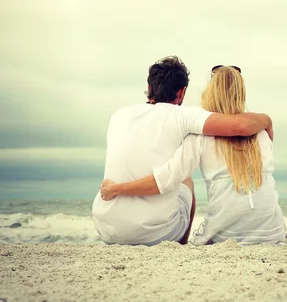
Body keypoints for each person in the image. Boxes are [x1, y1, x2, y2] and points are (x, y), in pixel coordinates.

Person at [92, 57, 273, 246]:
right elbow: (240, 126)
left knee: (174, 172)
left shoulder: (119, 115)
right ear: (182, 91)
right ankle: (181, 244)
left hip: (107, 229)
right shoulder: (184, 116)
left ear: (149, 85)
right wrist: (266, 120)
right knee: (185, 179)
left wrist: (115, 189)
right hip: (156, 234)